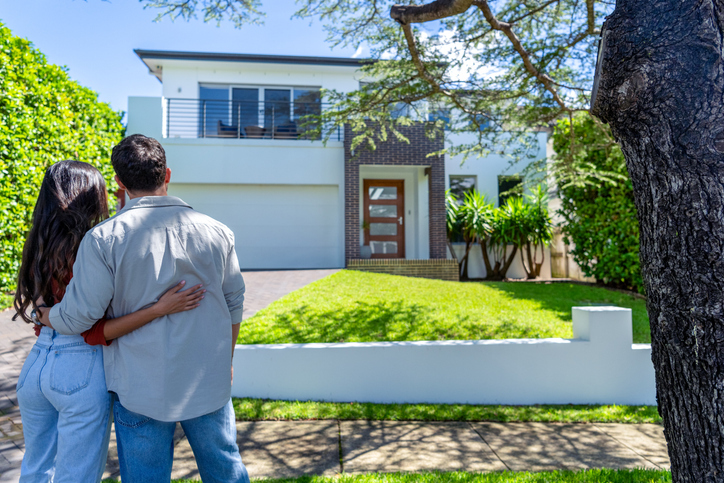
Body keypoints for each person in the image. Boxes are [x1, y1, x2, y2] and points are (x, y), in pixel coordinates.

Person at [41, 134, 249, 483]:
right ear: (167, 174)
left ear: (119, 183)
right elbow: (234, 303)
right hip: (207, 382)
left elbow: (78, 317)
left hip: (140, 389)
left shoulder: (104, 239)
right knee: (226, 474)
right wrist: (226, 359)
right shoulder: (218, 232)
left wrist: (45, 315)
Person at [13, 160, 205, 482]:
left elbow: (41, 314)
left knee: (35, 469)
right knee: (77, 476)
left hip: (37, 365)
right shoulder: (94, 246)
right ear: (91, 196)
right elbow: (93, 330)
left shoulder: (40, 244)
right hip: (79, 368)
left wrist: (42, 315)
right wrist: (158, 308)